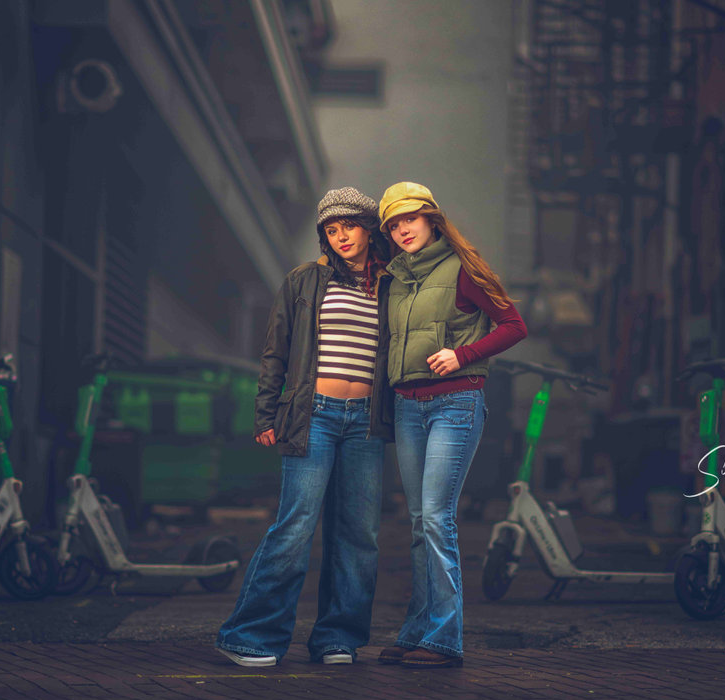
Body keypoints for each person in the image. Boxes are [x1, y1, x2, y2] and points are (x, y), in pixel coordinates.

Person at [215, 187, 393, 667]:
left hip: (366, 423)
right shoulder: (304, 281)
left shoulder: (392, 285)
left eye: (349, 227)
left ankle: (338, 636)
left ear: (368, 228)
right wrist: (266, 413)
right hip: (312, 412)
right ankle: (249, 636)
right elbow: (276, 350)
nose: (341, 238)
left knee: (359, 534)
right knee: (295, 525)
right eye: (331, 231)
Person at [376, 181, 528, 668]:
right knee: (419, 522)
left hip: (455, 404)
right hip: (407, 406)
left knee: (437, 519)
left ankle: (444, 639)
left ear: (431, 220)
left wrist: (462, 354)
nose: (403, 230)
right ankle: (418, 630)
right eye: (394, 224)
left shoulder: (463, 268)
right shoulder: (394, 279)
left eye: (410, 220)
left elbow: (513, 325)